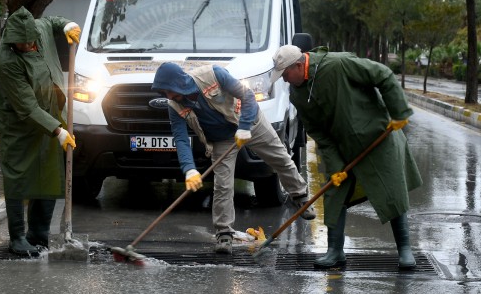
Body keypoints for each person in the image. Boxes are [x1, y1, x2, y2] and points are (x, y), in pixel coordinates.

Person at [271, 45, 423, 269]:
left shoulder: (338, 65)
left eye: (285, 74)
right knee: (334, 193)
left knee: (391, 190)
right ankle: (335, 251)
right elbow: (318, 133)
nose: (284, 80)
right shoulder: (298, 95)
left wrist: (398, 111)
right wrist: (336, 166)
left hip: (378, 137)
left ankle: (405, 250)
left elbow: (382, 74)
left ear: (298, 64)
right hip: (342, 147)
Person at [151, 62, 316, 254]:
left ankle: (301, 198)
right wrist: (189, 169)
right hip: (221, 139)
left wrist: (245, 127)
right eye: (164, 92)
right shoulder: (174, 105)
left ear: (180, 83)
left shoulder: (213, 75)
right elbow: (180, 139)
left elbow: (248, 96)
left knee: (280, 157)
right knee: (222, 185)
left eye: (170, 90)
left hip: (249, 121)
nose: (169, 96)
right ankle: (224, 234)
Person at [0, 7, 80, 256]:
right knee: (18, 175)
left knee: (47, 171)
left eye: (31, 42)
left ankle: (39, 234)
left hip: (50, 113)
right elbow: (27, 107)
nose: (28, 46)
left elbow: (51, 21)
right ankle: (17, 237)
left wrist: (67, 24)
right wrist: (58, 131)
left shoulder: (38, 31)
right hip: (19, 122)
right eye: (22, 44)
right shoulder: (5, 60)